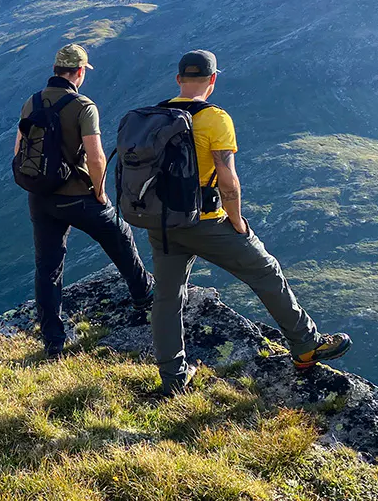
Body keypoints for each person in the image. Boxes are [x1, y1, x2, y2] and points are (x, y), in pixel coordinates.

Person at [149, 49, 352, 395]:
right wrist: (237, 221)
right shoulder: (215, 118)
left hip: (162, 223)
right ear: (213, 80)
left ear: (179, 79)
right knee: (265, 271)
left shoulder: (155, 115)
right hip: (206, 222)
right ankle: (305, 345)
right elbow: (227, 180)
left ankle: (173, 379)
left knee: (167, 298)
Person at [15, 43, 154, 357]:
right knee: (119, 234)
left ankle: (53, 343)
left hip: (40, 198)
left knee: (48, 268)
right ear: (79, 71)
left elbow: (19, 150)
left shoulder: (31, 102)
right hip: (77, 197)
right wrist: (100, 193)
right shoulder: (83, 106)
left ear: (55, 69)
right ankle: (143, 294)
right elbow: (96, 156)